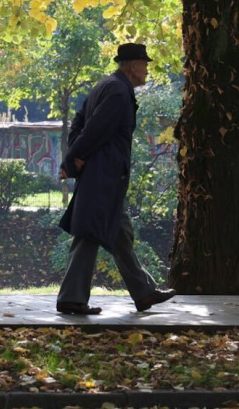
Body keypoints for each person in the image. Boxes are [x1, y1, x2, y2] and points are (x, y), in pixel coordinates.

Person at [56, 42, 176, 315]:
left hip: (102, 176)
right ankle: (72, 299)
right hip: (105, 177)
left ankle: (144, 292)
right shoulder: (120, 92)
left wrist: (78, 156)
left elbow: (79, 121)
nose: (146, 70)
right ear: (133, 66)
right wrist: (72, 161)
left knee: (120, 233)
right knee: (90, 233)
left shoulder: (104, 86)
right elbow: (95, 129)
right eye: (144, 65)